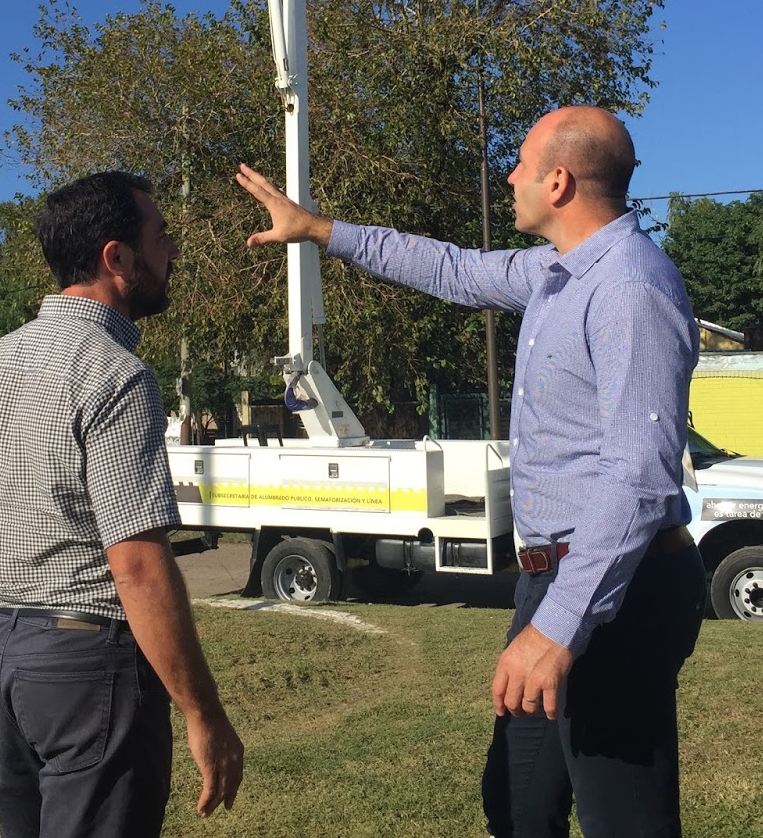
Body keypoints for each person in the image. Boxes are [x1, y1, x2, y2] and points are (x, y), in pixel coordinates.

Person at [235, 105, 705, 838]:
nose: (508, 176)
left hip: (619, 588)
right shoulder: (556, 273)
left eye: (518, 163)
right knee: (516, 805)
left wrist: (557, 630)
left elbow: (638, 476)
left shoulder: (629, 289)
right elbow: (449, 269)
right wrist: (320, 230)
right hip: (554, 579)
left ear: (558, 181)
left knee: (626, 821)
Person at [0, 171, 243, 838]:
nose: (172, 254)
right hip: (87, 667)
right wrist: (203, 712)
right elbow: (136, 564)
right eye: (160, 238)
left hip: (6, 658)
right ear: (116, 258)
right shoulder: (117, 376)